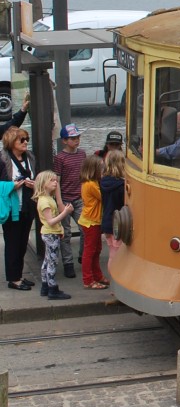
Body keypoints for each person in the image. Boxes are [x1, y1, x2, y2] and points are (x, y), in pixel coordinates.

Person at [1, 125, 38, 291]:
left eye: (26, 139)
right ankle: (13, 279)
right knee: (13, 244)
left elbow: (37, 178)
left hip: (27, 206)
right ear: (11, 142)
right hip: (11, 208)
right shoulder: (2, 159)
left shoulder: (30, 157)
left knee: (23, 243)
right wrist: (12, 186)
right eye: (21, 139)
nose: (25, 142)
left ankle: (19, 275)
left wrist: (33, 184)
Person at [52, 123, 86, 278]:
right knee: (65, 234)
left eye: (77, 137)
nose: (76, 140)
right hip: (65, 198)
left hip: (79, 198)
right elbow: (56, 181)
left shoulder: (82, 154)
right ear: (64, 140)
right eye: (72, 138)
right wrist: (59, 202)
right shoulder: (60, 158)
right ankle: (68, 263)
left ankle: (82, 255)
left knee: (85, 228)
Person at [33, 171, 73, 300]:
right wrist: (66, 212)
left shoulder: (48, 198)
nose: (55, 182)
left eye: (56, 180)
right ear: (43, 183)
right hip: (51, 234)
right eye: (52, 180)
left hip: (51, 234)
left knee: (47, 261)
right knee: (52, 262)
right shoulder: (44, 201)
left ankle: (46, 286)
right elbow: (51, 221)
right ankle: (52, 288)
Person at [77, 155, 107, 289]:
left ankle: (97, 275)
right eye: (101, 168)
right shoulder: (91, 185)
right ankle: (88, 279)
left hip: (93, 220)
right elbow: (103, 196)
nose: (103, 170)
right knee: (90, 251)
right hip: (91, 221)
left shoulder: (89, 183)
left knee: (96, 249)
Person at [99, 149, 126, 251]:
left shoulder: (103, 182)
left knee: (111, 252)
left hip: (106, 221)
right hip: (118, 222)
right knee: (118, 254)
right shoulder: (121, 186)